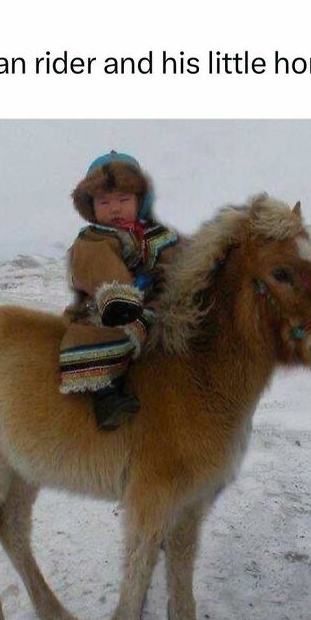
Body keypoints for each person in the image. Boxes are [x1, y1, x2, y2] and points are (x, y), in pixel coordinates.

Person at [59, 151, 179, 430]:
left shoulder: (155, 237)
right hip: (102, 313)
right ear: (91, 207)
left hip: (149, 311)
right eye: (104, 202)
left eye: (123, 200)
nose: (114, 208)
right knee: (103, 335)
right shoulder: (93, 238)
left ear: (140, 201)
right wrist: (121, 297)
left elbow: (180, 260)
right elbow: (88, 268)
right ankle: (105, 397)